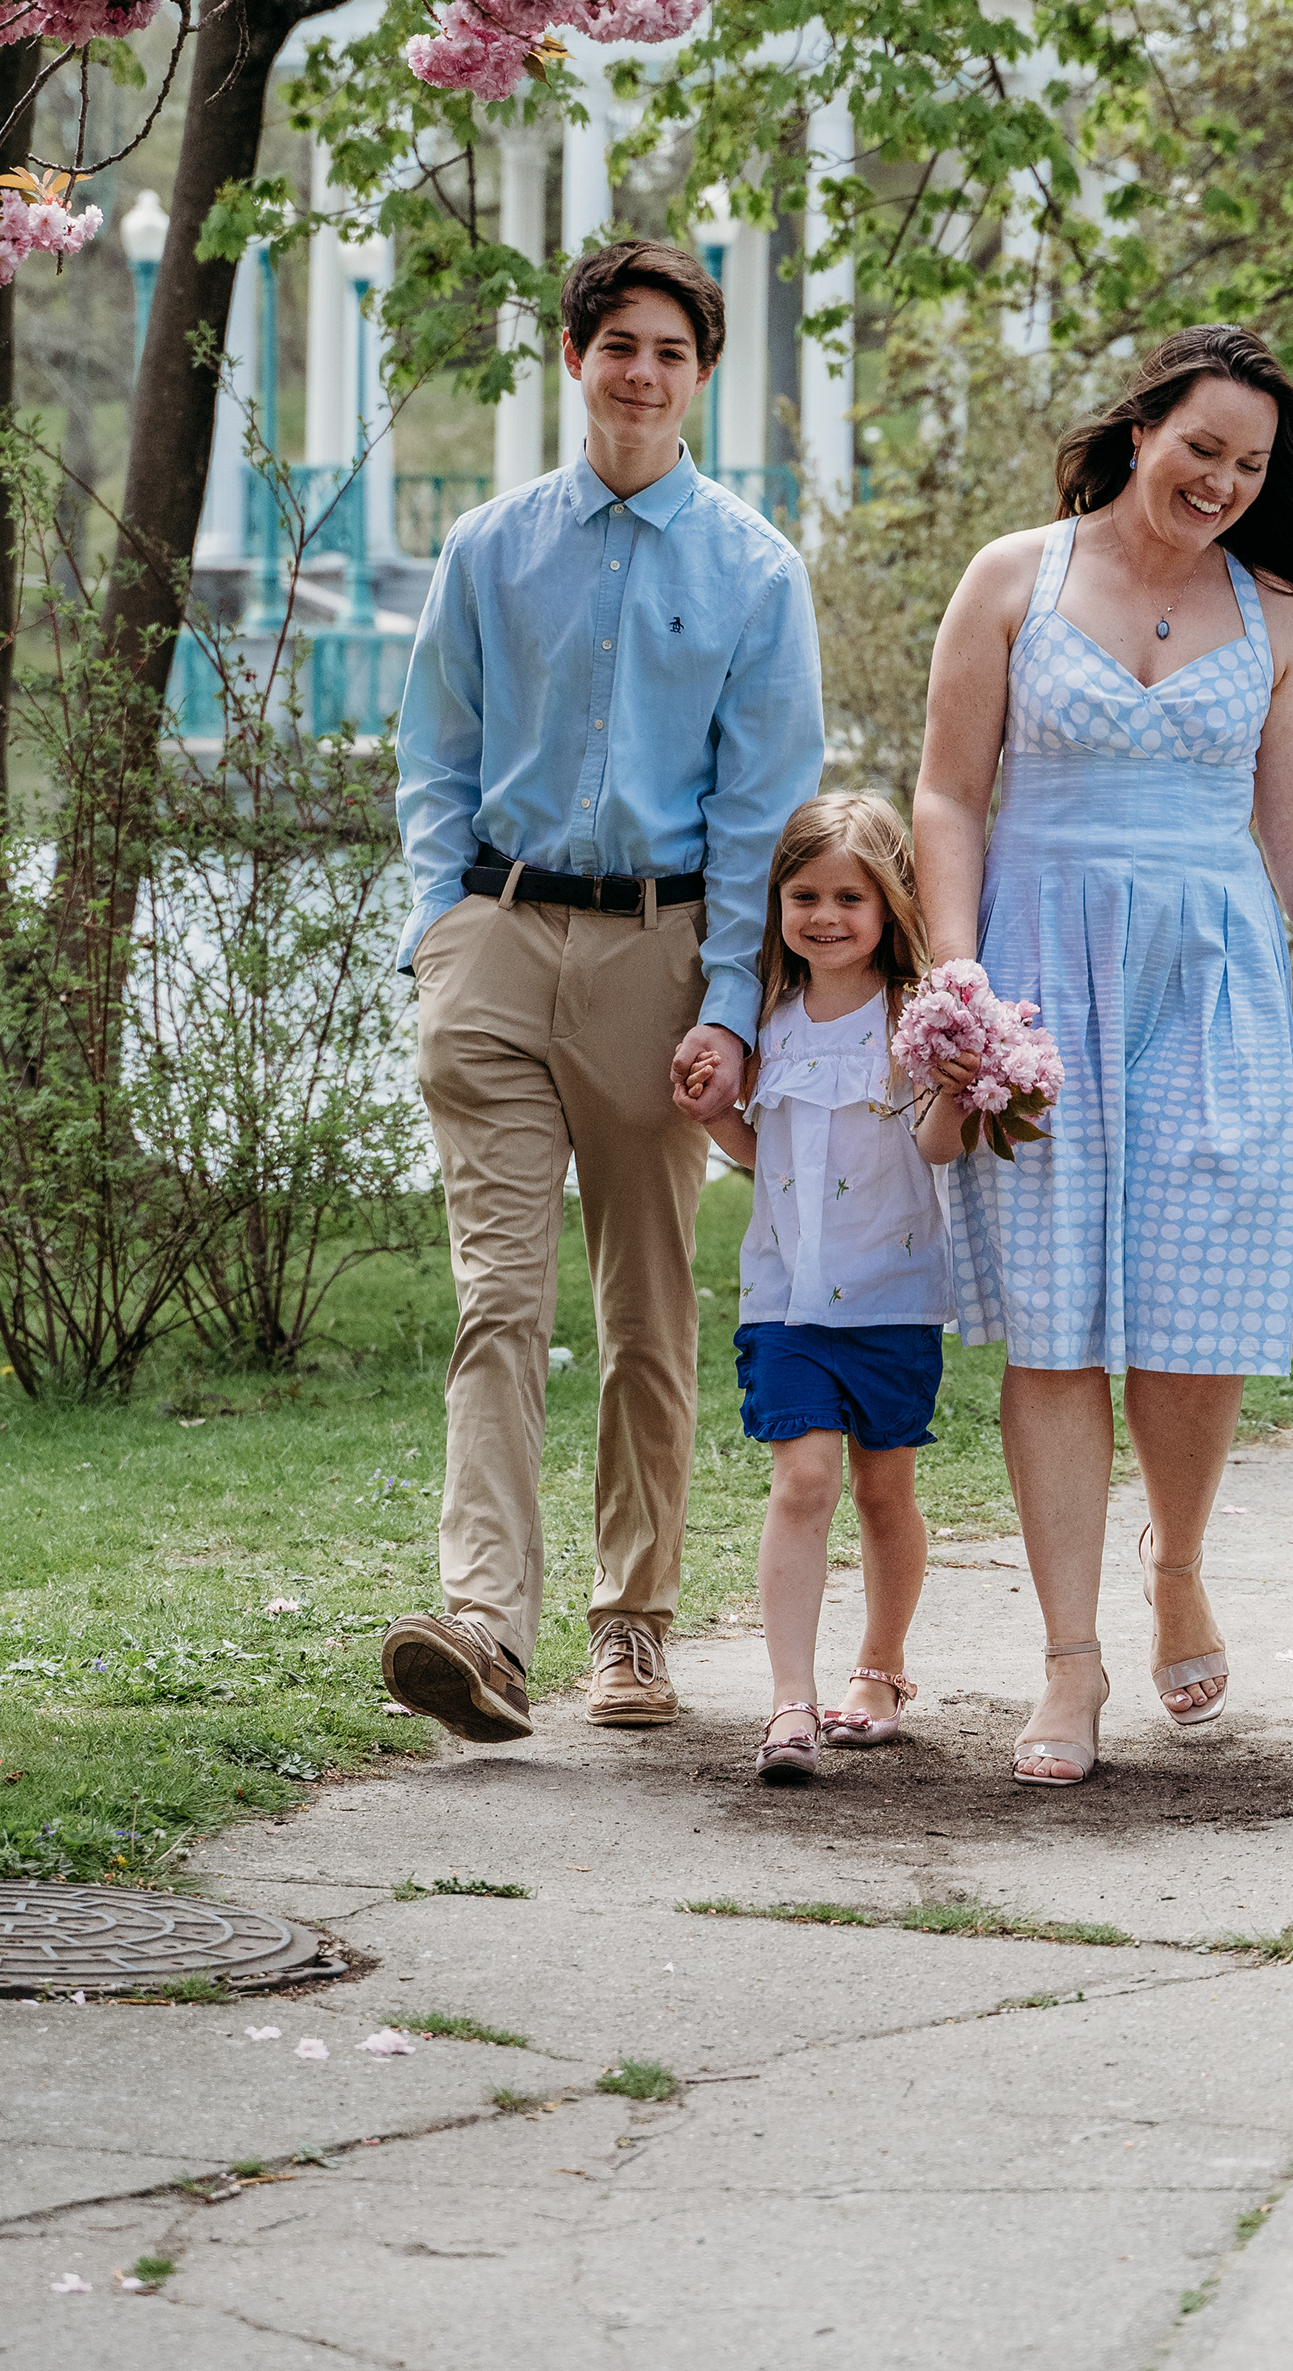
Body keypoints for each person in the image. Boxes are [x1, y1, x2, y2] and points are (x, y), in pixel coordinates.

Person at [913, 326, 1293, 1790]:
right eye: (1202, 449)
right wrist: (959, 976)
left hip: (1208, 980)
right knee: (1058, 1321)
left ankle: (1178, 1559)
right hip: (1039, 977)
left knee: (1193, 1313)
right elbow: (948, 795)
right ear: (1141, 430)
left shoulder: (1275, 618)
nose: (1221, 482)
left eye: (1252, 467)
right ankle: (1070, 1659)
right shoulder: (1016, 578)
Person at [379, 238, 823, 1744]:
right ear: (575, 360)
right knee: (496, 1301)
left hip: (662, 958)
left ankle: (631, 1624)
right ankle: (485, 1624)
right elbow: (433, 752)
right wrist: (442, 934)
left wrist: (732, 1008)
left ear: (701, 379)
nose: (641, 372)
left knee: (648, 1308)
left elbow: (765, 818)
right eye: (616, 344)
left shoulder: (757, 574)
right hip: (498, 941)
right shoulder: (492, 549)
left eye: (670, 352)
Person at [682, 794, 971, 1786]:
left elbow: (936, 1148)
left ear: (890, 906)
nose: (825, 914)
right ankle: (788, 1701)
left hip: (892, 1295)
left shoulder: (912, 1021)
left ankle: (881, 1671)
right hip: (787, 1300)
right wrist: (716, 1118)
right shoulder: (763, 1023)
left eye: (850, 895)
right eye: (804, 895)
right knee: (803, 1480)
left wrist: (959, 1087)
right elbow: (766, 1158)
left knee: (885, 1491)